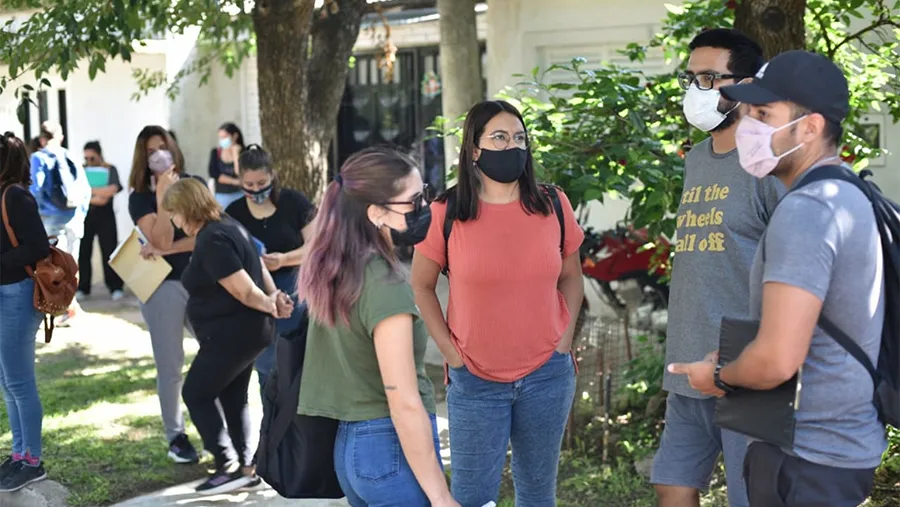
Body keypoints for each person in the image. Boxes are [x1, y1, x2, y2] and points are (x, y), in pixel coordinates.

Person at [671, 50, 887, 507]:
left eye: (764, 113)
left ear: (809, 128)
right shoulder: (848, 193)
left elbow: (775, 361)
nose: (748, 124)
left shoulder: (807, 211)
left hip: (805, 457)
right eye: (748, 111)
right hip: (837, 450)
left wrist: (718, 375)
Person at [411, 100, 584, 507]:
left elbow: (572, 275)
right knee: (471, 498)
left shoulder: (552, 204)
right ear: (474, 148)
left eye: (520, 138)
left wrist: (565, 337)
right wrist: (452, 354)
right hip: (475, 380)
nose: (513, 147)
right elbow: (421, 286)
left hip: (548, 374)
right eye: (500, 138)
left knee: (538, 494)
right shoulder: (446, 212)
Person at [651, 29, 784, 507]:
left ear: (746, 84)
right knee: (672, 487)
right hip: (688, 362)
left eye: (709, 78)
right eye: (691, 78)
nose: (695, 90)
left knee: (753, 497)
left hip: (748, 368)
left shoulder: (771, 162)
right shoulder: (697, 161)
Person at [297, 147, 458, 507]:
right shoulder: (383, 282)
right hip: (388, 448)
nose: (425, 209)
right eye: (414, 201)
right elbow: (403, 401)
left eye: (425, 195)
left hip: (353, 450)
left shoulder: (337, 270)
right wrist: (441, 497)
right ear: (376, 213)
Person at [162, 177, 290, 494]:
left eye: (174, 214)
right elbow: (258, 266)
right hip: (246, 331)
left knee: (196, 392)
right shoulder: (229, 225)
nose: (174, 222)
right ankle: (246, 467)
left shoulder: (212, 239)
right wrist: (274, 297)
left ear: (187, 208)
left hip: (233, 333)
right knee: (233, 397)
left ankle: (227, 463)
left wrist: (270, 303)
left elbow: (244, 289)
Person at [127, 126, 200, 464]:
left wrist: (165, 247)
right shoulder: (139, 197)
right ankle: (177, 436)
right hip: (162, 288)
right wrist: (161, 198)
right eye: (151, 150)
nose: (159, 154)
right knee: (170, 366)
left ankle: (219, 429)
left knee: (218, 353)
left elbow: (205, 236)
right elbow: (164, 239)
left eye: (163, 146)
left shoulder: (194, 184)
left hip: (201, 281)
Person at [225, 145, 316, 391]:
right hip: (255, 297)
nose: (256, 190)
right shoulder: (233, 213)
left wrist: (284, 259)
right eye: (249, 184)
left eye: (262, 182)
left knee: (300, 367)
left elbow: (317, 246)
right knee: (267, 371)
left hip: (296, 290)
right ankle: (272, 424)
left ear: (272, 176)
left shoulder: (294, 203)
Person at [0, 132, 51, 492]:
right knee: (7, 382)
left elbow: (36, 246)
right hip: (4, 293)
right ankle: (19, 454)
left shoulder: (16, 197)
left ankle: (32, 460)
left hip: (17, 294)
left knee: (19, 381)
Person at [29, 121, 90, 326]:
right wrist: (80, 215)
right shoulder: (70, 156)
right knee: (73, 266)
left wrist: (36, 217)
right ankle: (70, 307)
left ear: (41, 138)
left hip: (51, 220)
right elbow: (86, 189)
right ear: (61, 136)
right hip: (74, 219)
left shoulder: (38, 157)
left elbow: (35, 190)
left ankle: (60, 310)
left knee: (54, 268)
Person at [77, 141, 124, 301]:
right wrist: (97, 194)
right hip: (86, 215)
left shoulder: (110, 169)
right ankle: (83, 287)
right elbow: (78, 191)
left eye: (92, 157)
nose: (89, 161)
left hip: (105, 216)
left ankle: (115, 286)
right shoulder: (81, 170)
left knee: (109, 251)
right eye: (86, 158)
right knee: (84, 252)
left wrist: (89, 192)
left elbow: (112, 189)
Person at [209, 122, 245, 209]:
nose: (222, 140)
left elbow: (240, 172)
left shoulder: (243, 152)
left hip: (240, 194)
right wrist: (235, 182)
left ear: (235, 136)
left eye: (225, 137)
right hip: (222, 196)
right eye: (220, 137)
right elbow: (214, 173)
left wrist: (236, 155)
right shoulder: (216, 152)